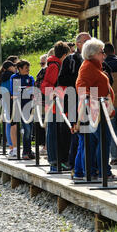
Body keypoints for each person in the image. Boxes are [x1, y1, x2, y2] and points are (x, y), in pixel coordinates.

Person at [75, 38, 117, 181]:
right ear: (93, 53)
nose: (104, 55)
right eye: (101, 52)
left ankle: (95, 171)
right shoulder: (88, 66)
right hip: (95, 109)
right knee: (103, 141)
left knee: (95, 142)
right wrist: (90, 98)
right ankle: (104, 172)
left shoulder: (93, 66)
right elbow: (81, 85)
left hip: (97, 108)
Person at [58, 32, 91, 172]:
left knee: (91, 133)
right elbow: (62, 79)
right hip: (74, 99)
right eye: (86, 42)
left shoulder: (95, 59)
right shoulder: (70, 59)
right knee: (77, 133)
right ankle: (74, 165)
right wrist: (79, 81)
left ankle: (88, 166)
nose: (90, 44)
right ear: (78, 44)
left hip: (92, 99)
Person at [41, 41, 71, 172]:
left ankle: (56, 161)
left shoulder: (54, 64)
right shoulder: (55, 66)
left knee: (54, 133)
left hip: (55, 104)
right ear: (64, 55)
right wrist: (57, 94)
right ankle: (54, 162)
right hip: (55, 104)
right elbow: (46, 85)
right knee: (53, 133)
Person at [9, 60, 35, 160]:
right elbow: (14, 93)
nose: (28, 70)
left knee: (29, 129)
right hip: (18, 107)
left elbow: (32, 90)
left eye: (29, 68)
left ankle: (28, 150)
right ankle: (25, 151)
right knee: (26, 129)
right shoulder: (14, 77)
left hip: (28, 106)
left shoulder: (30, 78)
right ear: (19, 69)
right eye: (26, 68)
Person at [0, 60, 17, 153]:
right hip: (10, 100)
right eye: (13, 66)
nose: (14, 68)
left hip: (5, 100)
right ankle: (13, 145)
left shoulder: (2, 76)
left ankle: (10, 144)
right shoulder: (10, 76)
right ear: (9, 67)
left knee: (8, 123)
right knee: (12, 123)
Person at [35, 54, 48, 155]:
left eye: (43, 63)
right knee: (45, 125)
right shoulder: (42, 72)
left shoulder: (45, 71)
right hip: (42, 102)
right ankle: (46, 146)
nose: (42, 65)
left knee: (47, 125)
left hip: (45, 102)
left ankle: (46, 146)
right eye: (41, 64)